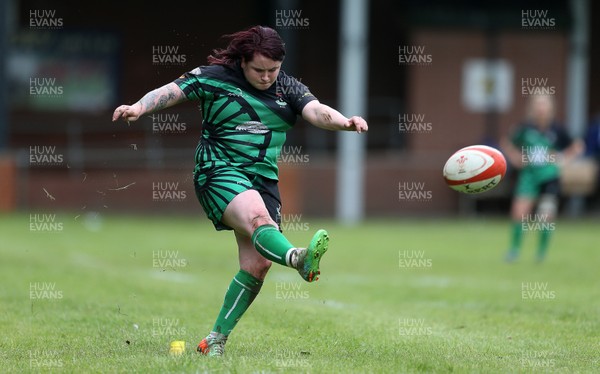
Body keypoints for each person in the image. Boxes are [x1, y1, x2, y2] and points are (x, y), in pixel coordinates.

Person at [111, 26, 368, 356]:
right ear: (242, 62)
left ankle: (215, 340)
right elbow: (172, 91)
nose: (265, 77)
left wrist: (345, 122)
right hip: (217, 169)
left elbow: (315, 110)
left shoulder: (287, 86)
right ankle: (299, 259)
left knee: (258, 265)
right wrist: (139, 108)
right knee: (257, 217)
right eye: (258, 70)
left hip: (263, 180)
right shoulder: (214, 77)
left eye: (272, 70)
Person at [501, 94, 582, 263]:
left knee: (545, 217)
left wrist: (563, 160)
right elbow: (506, 142)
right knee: (519, 213)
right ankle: (514, 251)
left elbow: (577, 146)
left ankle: (541, 253)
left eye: (544, 105)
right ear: (532, 108)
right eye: (538, 105)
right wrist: (516, 157)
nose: (541, 108)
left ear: (550, 108)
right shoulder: (524, 128)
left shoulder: (558, 129)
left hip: (549, 177)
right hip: (528, 177)